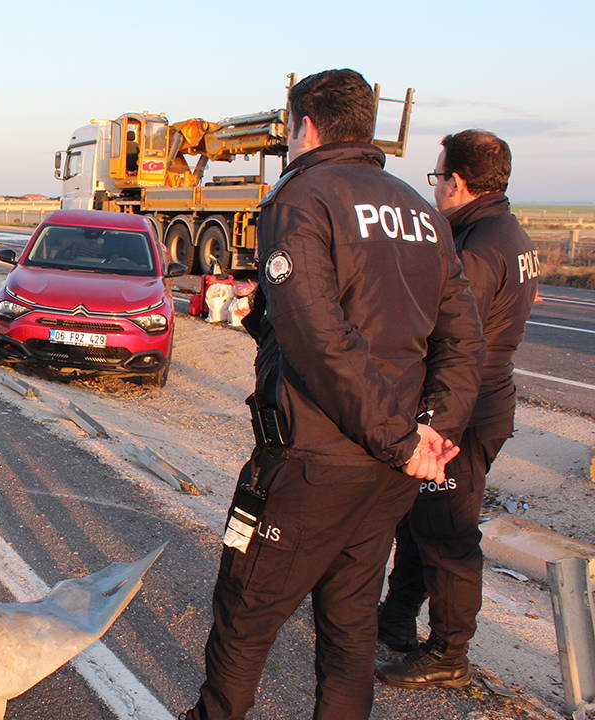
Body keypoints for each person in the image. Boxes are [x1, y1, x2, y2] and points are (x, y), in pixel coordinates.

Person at [180, 69, 484, 720]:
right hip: (387, 475)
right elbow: (462, 339)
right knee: (349, 630)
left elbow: (323, 340)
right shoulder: (420, 211)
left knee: (244, 613)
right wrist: (432, 431)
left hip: (312, 464)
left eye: (290, 130)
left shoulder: (301, 197)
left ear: (306, 127)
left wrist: (403, 440)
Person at [376, 130, 538, 688]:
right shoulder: (507, 231)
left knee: (448, 534)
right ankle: (396, 621)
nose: (436, 187)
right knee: (420, 520)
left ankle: (449, 652)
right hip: (483, 399)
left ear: (459, 181)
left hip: (462, 410)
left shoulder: (476, 248)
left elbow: (441, 332)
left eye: (438, 176)